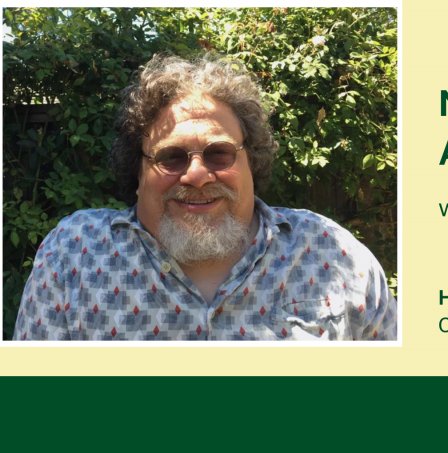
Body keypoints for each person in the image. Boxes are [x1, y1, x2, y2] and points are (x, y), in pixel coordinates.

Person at [13, 54, 397, 341]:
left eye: (219, 153)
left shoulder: (335, 254)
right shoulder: (74, 255)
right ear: (137, 171)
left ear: (252, 163)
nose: (196, 175)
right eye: (171, 157)